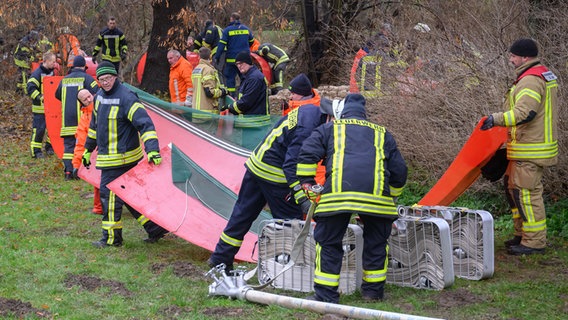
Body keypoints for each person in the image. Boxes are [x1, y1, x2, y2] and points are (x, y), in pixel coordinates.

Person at [208, 73, 328, 271]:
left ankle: (220, 257)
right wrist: (302, 198)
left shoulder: (305, 114)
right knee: (291, 223)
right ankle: (291, 268)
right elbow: (291, 165)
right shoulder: (308, 126)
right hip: (275, 175)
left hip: (256, 166)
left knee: (242, 214)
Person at [297, 93, 407, 303]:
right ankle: (372, 294)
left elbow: (306, 154)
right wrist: (390, 197)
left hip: (337, 198)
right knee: (376, 243)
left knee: (329, 243)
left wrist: (308, 184)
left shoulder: (329, 129)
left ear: (341, 112)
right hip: (378, 201)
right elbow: (400, 172)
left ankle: (326, 296)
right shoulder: (383, 134)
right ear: (365, 114)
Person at [480, 38, 558, 256]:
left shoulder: (531, 80)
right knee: (513, 189)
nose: (511, 59)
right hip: (526, 147)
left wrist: (494, 119)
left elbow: (525, 113)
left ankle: (533, 242)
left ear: (525, 57)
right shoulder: (537, 75)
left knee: (526, 194)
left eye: (513, 56)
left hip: (531, 148)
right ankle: (522, 235)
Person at [83, 61, 169, 248]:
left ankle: (113, 239)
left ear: (115, 77)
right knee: (130, 196)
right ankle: (155, 228)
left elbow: (145, 125)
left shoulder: (127, 98)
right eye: (101, 80)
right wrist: (87, 149)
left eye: (108, 79)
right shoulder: (98, 98)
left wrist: (152, 149)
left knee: (109, 196)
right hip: (110, 158)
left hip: (122, 159)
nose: (105, 83)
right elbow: (94, 127)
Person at [55, 56, 99, 180]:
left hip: (67, 119)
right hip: (82, 118)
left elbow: (57, 95)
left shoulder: (64, 80)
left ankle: (68, 172)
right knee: (82, 144)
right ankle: (80, 171)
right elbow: (97, 94)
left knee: (68, 147)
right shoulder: (87, 78)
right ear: (84, 67)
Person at [220, 51, 270, 149]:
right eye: (237, 64)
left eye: (241, 63)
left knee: (251, 151)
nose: (239, 66)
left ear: (248, 63)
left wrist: (229, 107)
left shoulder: (254, 78)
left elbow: (246, 102)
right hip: (251, 123)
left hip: (255, 124)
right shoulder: (249, 77)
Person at [74, 88, 103, 214]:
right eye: (85, 99)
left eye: (89, 96)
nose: (89, 99)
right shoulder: (85, 117)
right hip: (96, 152)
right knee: (99, 182)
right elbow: (80, 142)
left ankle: (100, 207)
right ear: (82, 103)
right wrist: (76, 164)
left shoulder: (103, 104)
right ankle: (99, 207)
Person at [214, 12, 254, 97]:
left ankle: (231, 96)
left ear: (231, 19)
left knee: (230, 78)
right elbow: (251, 41)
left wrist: (217, 57)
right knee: (244, 77)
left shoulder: (227, 30)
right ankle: (244, 94)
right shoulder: (246, 29)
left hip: (231, 60)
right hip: (244, 60)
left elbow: (221, 45)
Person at [26, 51, 57, 159]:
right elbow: (30, 88)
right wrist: (40, 97)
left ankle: (49, 147)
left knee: (52, 129)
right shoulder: (37, 73)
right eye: (53, 61)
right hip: (40, 108)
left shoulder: (52, 72)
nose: (55, 64)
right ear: (47, 61)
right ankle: (36, 151)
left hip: (51, 108)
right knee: (39, 130)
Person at [191, 47, 227, 122]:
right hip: (207, 113)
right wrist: (222, 92)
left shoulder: (196, 69)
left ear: (199, 56)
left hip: (195, 112)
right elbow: (209, 92)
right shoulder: (208, 70)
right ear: (210, 56)